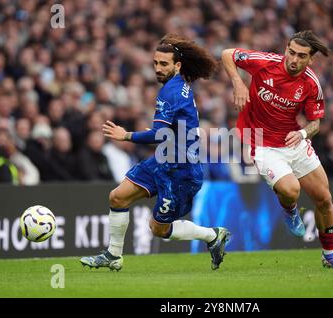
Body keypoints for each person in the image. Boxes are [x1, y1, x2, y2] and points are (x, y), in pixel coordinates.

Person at [80, 34, 230, 271]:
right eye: (155, 63)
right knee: (117, 197)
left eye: (164, 64)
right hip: (164, 160)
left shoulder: (170, 92)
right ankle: (113, 255)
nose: (158, 69)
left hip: (182, 172)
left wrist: (127, 135)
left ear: (177, 66)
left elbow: (159, 134)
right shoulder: (178, 86)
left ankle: (212, 235)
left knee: (158, 229)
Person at [221, 30, 333, 269]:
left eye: (301, 56)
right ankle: (290, 209)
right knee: (291, 190)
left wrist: (302, 134)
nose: (294, 59)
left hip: (294, 142)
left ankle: (330, 255)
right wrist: (238, 83)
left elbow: (315, 123)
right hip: (263, 144)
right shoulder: (265, 64)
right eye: (291, 52)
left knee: (324, 199)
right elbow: (228, 54)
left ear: (310, 59)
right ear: (286, 49)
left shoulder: (311, 83)